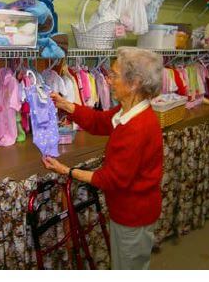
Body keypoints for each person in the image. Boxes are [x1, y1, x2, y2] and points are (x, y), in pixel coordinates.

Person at [42, 47, 165, 270]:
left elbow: (110, 179)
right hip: (133, 210)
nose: (108, 80)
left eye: (114, 75)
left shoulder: (136, 127)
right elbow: (100, 122)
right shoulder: (129, 112)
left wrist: (66, 171)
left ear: (135, 82)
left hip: (133, 215)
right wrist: (66, 104)